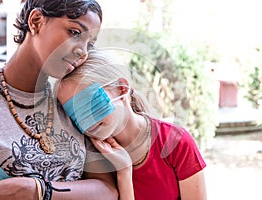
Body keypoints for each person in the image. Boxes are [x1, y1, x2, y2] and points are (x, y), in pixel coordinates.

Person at [0, 1, 119, 200]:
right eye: (75, 32)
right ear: (36, 21)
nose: (83, 51)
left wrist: (40, 191)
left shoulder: (70, 98)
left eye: (89, 44)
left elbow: (107, 191)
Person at [57, 49, 207, 200]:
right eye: (74, 114)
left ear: (122, 88)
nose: (86, 120)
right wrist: (124, 172)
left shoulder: (176, 142)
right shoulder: (91, 157)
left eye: (90, 103)